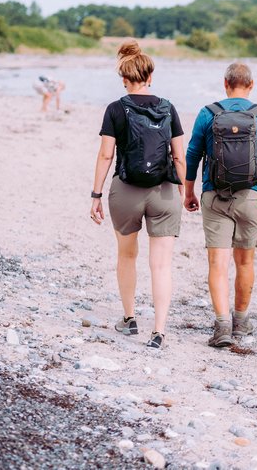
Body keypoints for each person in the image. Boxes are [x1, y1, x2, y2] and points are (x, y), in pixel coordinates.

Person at [90, 39, 186, 349]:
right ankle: (159, 332)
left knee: (127, 255)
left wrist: (96, 194)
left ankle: (129, 319)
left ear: (124, 78)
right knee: (161, 265)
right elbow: (179, 156)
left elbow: (106, 155)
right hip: (164, 192)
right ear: (150, 76)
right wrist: (184, 190)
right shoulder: (168, 107)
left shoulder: (115, 109)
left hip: (126, 190)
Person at [184, 62, 257, 347]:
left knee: (217, 263)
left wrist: (189, 192)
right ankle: (241, 322)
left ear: (225, 83)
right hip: (251, 197)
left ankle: (222, 327)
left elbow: (192, 155)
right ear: (251, 85)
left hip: (214, 195)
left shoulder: (208, 113)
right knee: (245, 261)